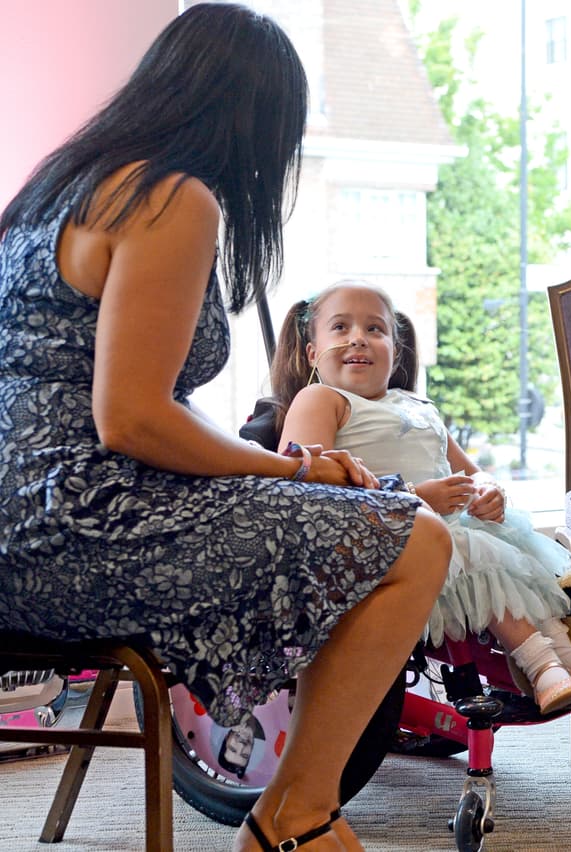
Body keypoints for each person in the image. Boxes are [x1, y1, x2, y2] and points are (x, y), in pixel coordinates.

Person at [0, 6, 455, 851]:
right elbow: (130, 417)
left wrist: (262, 464)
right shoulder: (170, 195)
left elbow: (124, 397)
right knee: (416, 536)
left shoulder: (57, 188)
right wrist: (286, 471)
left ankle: (294, 813)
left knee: (373, 524)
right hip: (73, 522)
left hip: (18, 515)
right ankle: (296, 818)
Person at [272, 281, 571, 714]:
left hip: (450, 529)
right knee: (475, 551)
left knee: (506, 552)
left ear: (396, 348)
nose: (358, 338)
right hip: (377, 538)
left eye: (375, 329)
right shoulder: (321, 399)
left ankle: (570, 661)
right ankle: (546, 669)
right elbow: (306, 484)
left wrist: (487, 489)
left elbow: (469, 468)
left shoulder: (416, 406)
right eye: (340, 328)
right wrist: (414, 496)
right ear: (313, 352)